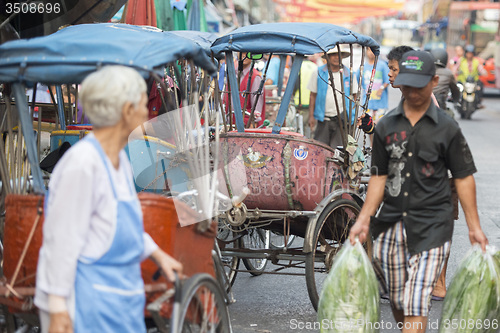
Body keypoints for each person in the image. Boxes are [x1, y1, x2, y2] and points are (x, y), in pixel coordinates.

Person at [35, 66, 183, 333]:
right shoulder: (82, 164)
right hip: (87, 307)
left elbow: (122, 227)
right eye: (140, 105)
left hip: (122, 305)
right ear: (126, 111)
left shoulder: (119, 162)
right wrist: (57, 309)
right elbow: (59, 244)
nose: (144, 113)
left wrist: (158, 255)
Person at [349, 50, 488, 333]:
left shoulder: (447, 129)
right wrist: (363, 219)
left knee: (415, 303)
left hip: (433, 225)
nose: (412, 91)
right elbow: (378, 178)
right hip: (390, 224)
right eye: (407, 83)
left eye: (418, 84)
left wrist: (474, 228)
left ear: (433, 81)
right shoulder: (386, 126)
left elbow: (463, 177)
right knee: (400, 302)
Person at [308, 47, 357, 149]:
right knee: (320, 149)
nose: (336, 58)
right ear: (328, 57)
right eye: (333, 55)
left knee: (338, 152)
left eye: (338, 55)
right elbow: (313, 95)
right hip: (323, 118)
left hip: (342, 120)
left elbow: (355, 97)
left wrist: (353, 118)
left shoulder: (349, 74)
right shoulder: (319, 72)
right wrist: (311, 116)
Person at [224, 53, 265, 127]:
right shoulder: (232, 74)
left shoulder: (255, 77)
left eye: (247, 53)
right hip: (230, 124)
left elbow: (257, 110)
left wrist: (252, 128)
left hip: (247, 126)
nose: (244, 55)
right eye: (241, 52)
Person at [358, 46, 390, 123]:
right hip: (368, 104)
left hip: (381, 103)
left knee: (380, 126)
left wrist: (381, 88)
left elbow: (388, 79)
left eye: (372, 50)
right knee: (369, 127)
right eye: (369, 50)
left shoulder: (382, 65)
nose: (370, 53)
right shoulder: (363, 67)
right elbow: (359, 81)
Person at [430, 48, 460, 113]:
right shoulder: (449, 73)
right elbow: (455, 90)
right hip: (441, 105)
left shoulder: (427, 70)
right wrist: (456, 100)